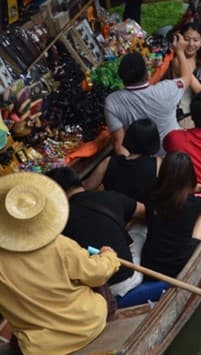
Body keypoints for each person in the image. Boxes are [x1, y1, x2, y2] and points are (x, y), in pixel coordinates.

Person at [0, 172, 121, 355]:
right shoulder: (58, 244)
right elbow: (96, 274)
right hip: (87, 324)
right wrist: (109, 257)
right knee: (99, 285)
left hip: (41, 347)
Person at [47, 167, 144, 299]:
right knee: (141, 227)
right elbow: (144, 212)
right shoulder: (110, 196)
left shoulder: (57, 223)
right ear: (79, 182)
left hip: (98, 288)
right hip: (128, 277)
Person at [104, 44, 192, 156]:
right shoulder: (166, 89)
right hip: (175, 154)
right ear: (147, 73)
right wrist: (179, 51)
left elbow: (119, 146)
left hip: (143, 160)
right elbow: (187, 78)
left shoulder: (112, 101)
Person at [141, 152, 201, 278]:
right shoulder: (193, 202)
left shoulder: (151, 195)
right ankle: (199, 243)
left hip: (149, 263)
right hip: (177, 265)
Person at [82, 118, 162, 204]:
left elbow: (87, 187)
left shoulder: (109, 162)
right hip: (142, 215)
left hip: (112, 211)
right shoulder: (158, 164)